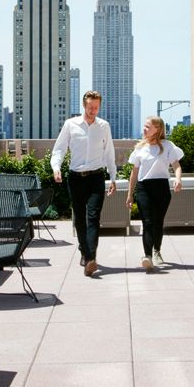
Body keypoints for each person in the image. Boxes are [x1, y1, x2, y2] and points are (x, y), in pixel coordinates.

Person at [51, 90, 117, 276]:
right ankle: (86, 253)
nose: (93, 111)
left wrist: (112, 177)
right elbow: (59, 149)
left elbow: (109, 152)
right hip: (75, 178)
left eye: (96, 108)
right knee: (79, 219)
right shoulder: (70, 125)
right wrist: (56, 167)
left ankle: (90, 258)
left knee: (93, 218)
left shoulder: (104, 126)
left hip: (96, 177)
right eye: (90, 107)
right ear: (84, 105)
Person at [125, 116, 184, 271]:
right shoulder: (139, 148)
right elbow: (134, 173)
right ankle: (147, 256)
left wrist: (178, 179)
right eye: (144, 126)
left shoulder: (168, 146)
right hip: (144, 188)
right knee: (147, 222)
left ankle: (157, 250)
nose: (144, 129)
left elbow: (176, 165)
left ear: (157, 129)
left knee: (158, 222)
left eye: (147, 127)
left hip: (162, 188)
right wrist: (130, 194)